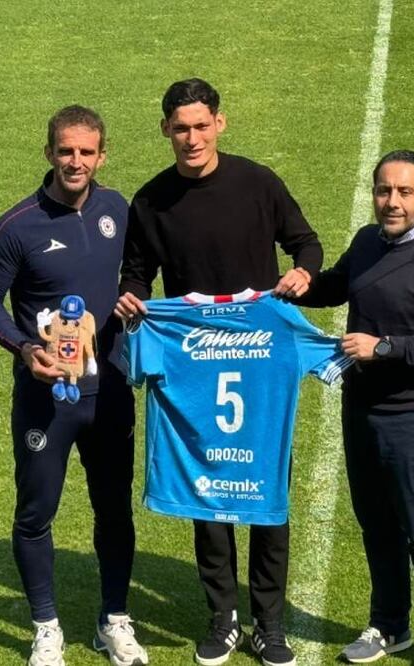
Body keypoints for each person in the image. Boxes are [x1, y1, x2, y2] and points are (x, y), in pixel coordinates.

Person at [115, 78, 320, 666]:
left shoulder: (258, 183)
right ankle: (223, 615)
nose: (192, 138)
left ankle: (270, 623)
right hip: (195, 360)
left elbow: (306, 244)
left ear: (220, 124)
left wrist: (302, 274)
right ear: (165, 130)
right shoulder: (151, 200)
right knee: (207, 490)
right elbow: (137, 272)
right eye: (180, 128)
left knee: (264, 485)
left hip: (258, 358)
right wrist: (132, 298)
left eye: (201, 126)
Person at [0, 105, 149, 666]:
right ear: (49, 152)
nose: (76, 161)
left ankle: (113, 620)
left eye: (86, 152)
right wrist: (25, 349)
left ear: (102, 155)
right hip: (45, 398)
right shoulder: (17, 225)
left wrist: (134, 297)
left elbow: (137, 272)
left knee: (114, 510)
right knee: (36, 513)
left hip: (110, 391)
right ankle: (46, 627)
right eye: (66, 150)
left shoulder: (117, 209)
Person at [295, 150, 414, 666]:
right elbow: (337, 285)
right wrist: (299, 287)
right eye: (383, 190)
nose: (392, 201)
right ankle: (390, 626)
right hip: (362, 411)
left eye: (404, 192)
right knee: (376, 525)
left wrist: (384, 348)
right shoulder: (367, 242)